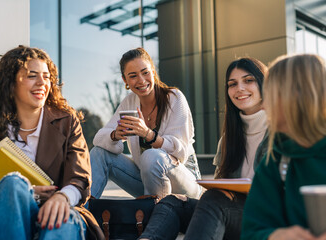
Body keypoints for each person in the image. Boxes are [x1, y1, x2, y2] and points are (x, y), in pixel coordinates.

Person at [0, 46, 96, 240]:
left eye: (46, 76)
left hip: (61, 211)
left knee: (62, 224)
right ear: (10, 82)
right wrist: (20, 196)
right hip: (7, 216)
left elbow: (80, 179)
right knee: (12, 184)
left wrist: (63, 197)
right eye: (32, 76)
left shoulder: (67, 121)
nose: (42, 83)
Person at [139, 57, 268, 240]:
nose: (239, 88)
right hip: (229, 213)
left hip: (264, 218)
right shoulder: (228, 138)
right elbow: (221, 185)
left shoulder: (282, 132)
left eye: (248, 80)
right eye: (232, 84)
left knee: (214, 200)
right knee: (172, 202)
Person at [90, 47, 201, 199]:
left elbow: (180, 153)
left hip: (185, 181)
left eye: (145, 72)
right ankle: (83, 213)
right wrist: (115, 135)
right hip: (147, 182)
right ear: (125, 80)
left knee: (151, 156)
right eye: (133, 76)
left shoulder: (174, 98)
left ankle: (157, 217)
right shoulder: (129, 102)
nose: (141, 80)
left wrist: (148, 134)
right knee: (99, 153)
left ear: (153, 71)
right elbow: (98, 139)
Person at [241, 54, 326, 240]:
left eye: (270, 95)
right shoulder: (276, 161)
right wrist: (274, 236)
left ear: (297, 97)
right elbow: (251, 232)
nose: (263, 106)